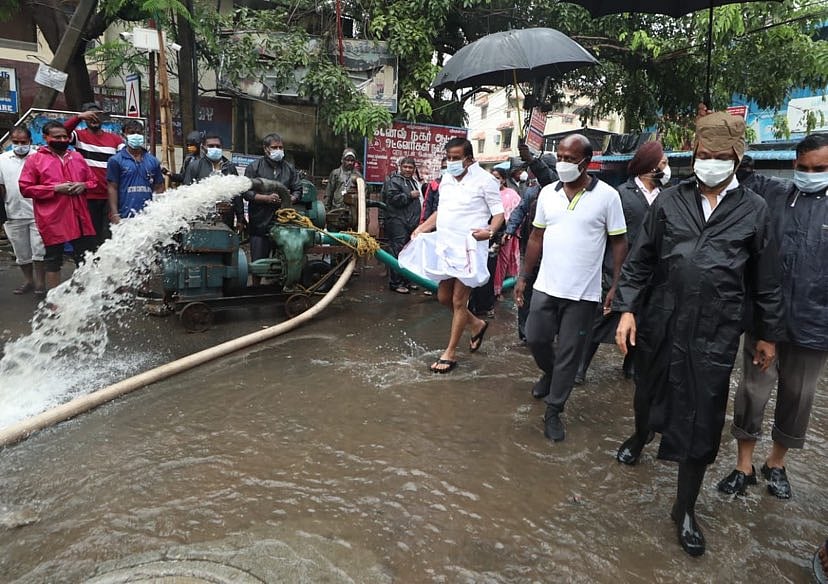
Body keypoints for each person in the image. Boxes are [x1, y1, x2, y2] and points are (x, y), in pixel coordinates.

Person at [613, 111, 784, 557]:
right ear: (694, 155)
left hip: (715, 328)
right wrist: (627, 308)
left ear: (736, 157)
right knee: (648, 390)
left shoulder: (754, 209)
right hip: (662, 317)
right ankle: (640, 435)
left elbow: (766, 279)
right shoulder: (671, 200)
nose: (709, 162)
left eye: (719, 155)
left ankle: (684, 507)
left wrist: (766, 334)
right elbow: (640, 260)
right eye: (702, 155)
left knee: (702, 412)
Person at [717, 133, 828, 499]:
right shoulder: (774, 193)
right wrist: (727, 136)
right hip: (766, 321)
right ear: (794, 164)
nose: (810, 173)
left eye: (821, 169)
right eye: (804, 167)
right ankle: (743, 465)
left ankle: (776, 463)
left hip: (815, 327)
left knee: (798, 396)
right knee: (752, 392)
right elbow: (738, 171)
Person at [514, 134, 628, 443]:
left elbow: (619, 242)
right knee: (536, 338)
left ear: (586, 162)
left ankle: (554, 410)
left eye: (569, 158)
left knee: (569, 353)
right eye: (560, 157)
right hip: (546, 286)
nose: (563, 163)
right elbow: (536, 236)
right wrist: (524, 275)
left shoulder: (607, 196)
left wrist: (615, 285)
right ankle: (550, 374)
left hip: (583, 294)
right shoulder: (548, 194)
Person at [403, 137, 504, 373]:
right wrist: (422, 228)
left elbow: (498, 214)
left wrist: (489, 231)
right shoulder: (446, 179)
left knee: (459, 300)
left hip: (469, 246)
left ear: (469, 159)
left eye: (456, 158)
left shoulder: (485, 181)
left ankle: (449, 352)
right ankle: (476, 324)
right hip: (446, 245)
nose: (451, 163)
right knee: (443, 297)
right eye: (448, 158)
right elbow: (441, 211)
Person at [576, 141, 671, 387]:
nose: (666, 167)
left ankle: (631, 368)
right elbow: (605, 236)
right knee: (599, 320)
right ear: (650, 165)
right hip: (617, 270)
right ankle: (578, 368)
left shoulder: (667, 197)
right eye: (663, 162)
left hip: (651, 274)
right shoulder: (621, 194)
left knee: (642, 320)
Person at [19, 120, 97, 291]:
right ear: (46, 138)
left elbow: (93, 181)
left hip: (79, 216)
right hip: (53, 218)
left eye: (64, 136)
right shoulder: (35, 160)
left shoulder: (76, 157)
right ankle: (54, 301)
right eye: (57, 137)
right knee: (53, 260)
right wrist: (54, 188)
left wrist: (83, 185)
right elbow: (25, 188)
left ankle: (85, 293)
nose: (62, 139)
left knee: (84, 257)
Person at [505, 152, 559, 342]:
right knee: (525, 290)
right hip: (531, 250)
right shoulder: (531, 192)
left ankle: (549, 332)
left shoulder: (561, 191)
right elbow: (519, 212)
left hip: (554, 254)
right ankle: (525, 333)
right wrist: (509, 230)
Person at [241, 133, 302, 285]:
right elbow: (246, 192)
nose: (278, 150)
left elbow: (298, 190)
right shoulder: (254, 167)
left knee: (284, 257)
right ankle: (255, 289)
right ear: (266, 149)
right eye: (274, 147)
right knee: (258, 260)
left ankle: (279, 287)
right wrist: (265, 198)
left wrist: (290, 199)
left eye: (281, 147)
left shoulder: (289, 169)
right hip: (260, 221)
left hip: (283, 221)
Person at [64, 101, 124, 247]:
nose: (94, 119)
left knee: (108, 235)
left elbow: (125, 159)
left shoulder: (115, 139)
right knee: (89, 235)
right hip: (86, 195)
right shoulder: (78, 136)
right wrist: (78, 117)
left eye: (97, 116)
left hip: (109, 195)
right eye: (90, 116)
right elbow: (62, 132)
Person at [0, 126, 45, 295]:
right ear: (11, 141)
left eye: (23, 142)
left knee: (39, 250)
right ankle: (28, 281)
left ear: (30, 141)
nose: (19, 145)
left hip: (38, 212)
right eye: (16, 142)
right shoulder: (2, 160)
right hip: (12, 212)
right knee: (21, 252)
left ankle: (41, 283)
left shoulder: (39, 158)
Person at [182, 132, 245, 231]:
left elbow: (237, 195)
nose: (215, 148)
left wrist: (240, 218)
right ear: (203, 147)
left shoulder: (229, 167)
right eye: (211, 146)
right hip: (201, 220)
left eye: (218, 146)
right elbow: (186, 194)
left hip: (226, 220)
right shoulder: (194, 166)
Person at [106, 120, 165, 224]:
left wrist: (158, 212)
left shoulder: (153, 160)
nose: (136, 136)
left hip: (149, 218)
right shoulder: (115, 160)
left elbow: (159, 187)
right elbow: (112, 188)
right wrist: (114, 214)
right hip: (124, 217)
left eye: (139, 133)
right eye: (132, 133)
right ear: (124, 136)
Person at [382, 156, 422, 294]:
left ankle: (406, 280)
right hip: (397, 222)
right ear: (400, 167)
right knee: (397, 252)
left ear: (414, 169)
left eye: (410, 167)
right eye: (405, 167)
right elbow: (392, 199)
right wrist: (409, 196)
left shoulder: (414, 182)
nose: (408, 169)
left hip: (411, 223)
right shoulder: (394, 181)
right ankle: (396, 283)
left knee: (409, 253)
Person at [489, 167, 521, 298]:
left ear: (503, 179)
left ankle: (496, 291)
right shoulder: (488, 193)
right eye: (492, 178)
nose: (495, 181)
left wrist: (508, 231)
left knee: (501, 262)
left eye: (497, 178)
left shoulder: (511, 194)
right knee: (489, 263)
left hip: (505, 233)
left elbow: (517, 214)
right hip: (488, 232)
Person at [420, 157, 446, 223]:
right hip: (435, 221)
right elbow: (427, 204)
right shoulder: (435, 184)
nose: (446, 169)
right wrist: (424, 222)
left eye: (448, 167)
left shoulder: (461, 183)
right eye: (444, 167)